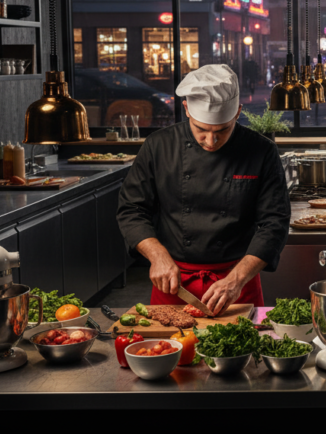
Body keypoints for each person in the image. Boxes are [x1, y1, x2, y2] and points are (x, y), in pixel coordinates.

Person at [117, 64, 290, 314]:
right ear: (186, 109)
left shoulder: (262, 151)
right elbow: (132, 209)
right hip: (173, 281)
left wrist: (236, 280)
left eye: (222, 130)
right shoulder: (158, 146)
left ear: (238, 113)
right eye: (202, 130)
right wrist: (157, 255)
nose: (211, 141)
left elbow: (274, 222)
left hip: (237, 282)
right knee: (171, 350)